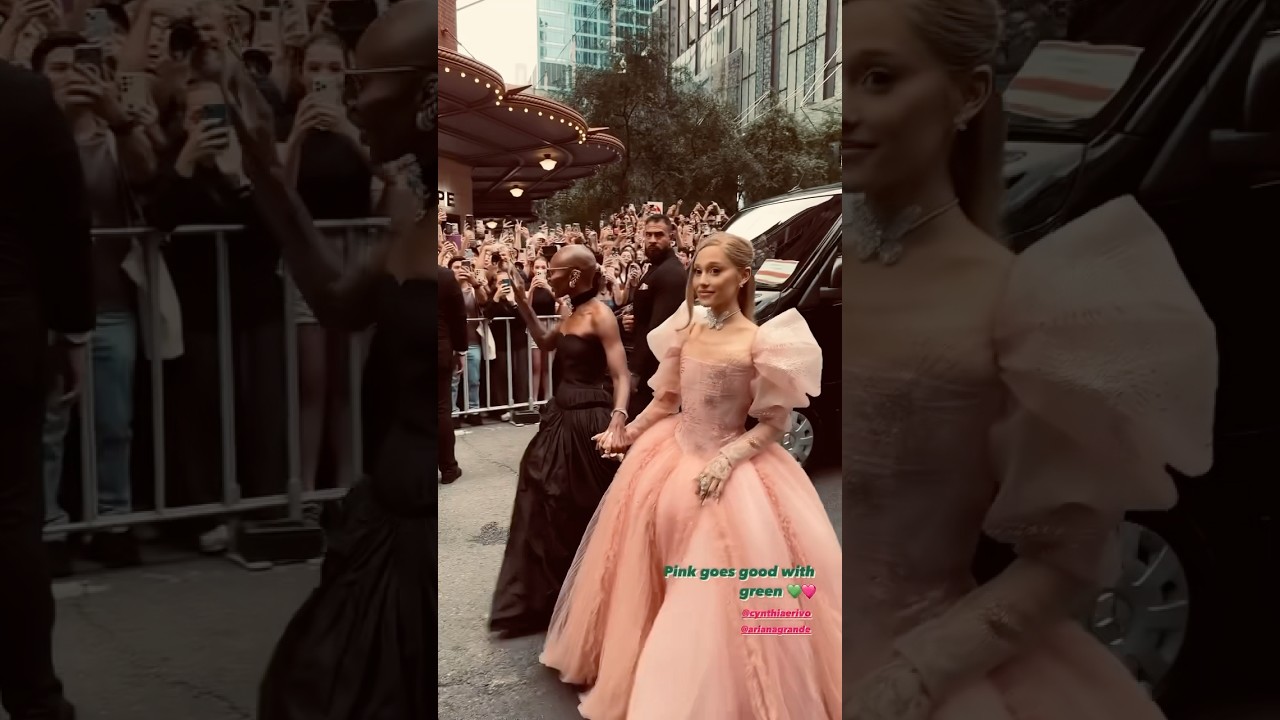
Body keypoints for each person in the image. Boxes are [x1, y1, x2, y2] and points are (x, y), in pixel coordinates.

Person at [840, 2, 1217, 719]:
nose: (849, 111)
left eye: (881, 78)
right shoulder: (814, 271)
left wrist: (918, 676)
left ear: (969, 94)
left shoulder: (1024, 303)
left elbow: (1069, 558)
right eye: (844, 80)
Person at [216, 1, 433, 717]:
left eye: (363, 83)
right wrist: (266, 173)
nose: (347, 101)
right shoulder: (412, 213)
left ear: (425, 96)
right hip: (389, 534)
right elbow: (340, 302)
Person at [541, 233, 842, 718]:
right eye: (699, 270)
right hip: (671, 456)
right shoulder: (687, 328)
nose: (702, 280)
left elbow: (773, 423)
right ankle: (642, 662)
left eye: (715, 271)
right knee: (649, 565)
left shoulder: (764, 341)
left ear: (743, 276)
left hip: (735, 469)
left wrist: (726, 460)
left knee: (715, 585)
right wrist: (627, 433)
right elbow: (666, 400)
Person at [0, 59, 85, 720]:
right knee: (12, 521)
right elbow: (65, 217)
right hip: (9, 324)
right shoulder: (23, 94)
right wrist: (73, 331)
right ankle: (35, 698)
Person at [489, 245, 629, 638]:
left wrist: (618, 420)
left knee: (578, 507)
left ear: (573, 277)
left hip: (588, 420)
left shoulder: (601, 314)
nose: (546, 276)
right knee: (541, 495)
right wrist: (522, 303)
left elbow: (620, 374)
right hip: (561, 415)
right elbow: (543, 340)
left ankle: (589, 596)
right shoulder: (570, 312)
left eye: (552, 271)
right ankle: (543, 599)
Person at [622, 213, 686, 417]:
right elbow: (646, 315)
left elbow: (658, 330)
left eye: (659, 235)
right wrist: (630, 319)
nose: (652, 240)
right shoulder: (655, 268)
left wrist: (635, 372)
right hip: (648, 366)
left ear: (671, 236)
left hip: (655, 371)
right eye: (648, 235)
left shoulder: (672, 273)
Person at [439, 250, 466, 485]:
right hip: (440, 350)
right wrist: (461, 350)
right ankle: (448, 467)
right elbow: (459, 317)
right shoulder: (445, 277)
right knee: (441, 410)